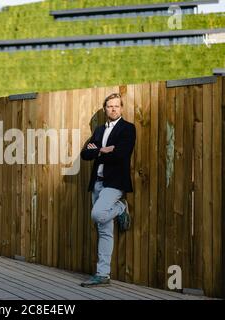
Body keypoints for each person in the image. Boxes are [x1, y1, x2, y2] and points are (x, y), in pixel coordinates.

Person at [80, 93, 136, 287]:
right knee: (104, 231)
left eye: (116, 106)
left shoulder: (128, 129)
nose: (113, 109)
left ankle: (121, 208)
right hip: (98, 182)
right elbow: (85, 154)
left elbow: (122, 154)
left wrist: (103, 151)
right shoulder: (98, 130)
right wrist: (102, 150)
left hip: (115, 183)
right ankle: (103, 275)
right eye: (109, 106)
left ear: (121, 108)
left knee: (97, 215)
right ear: (105, 109)